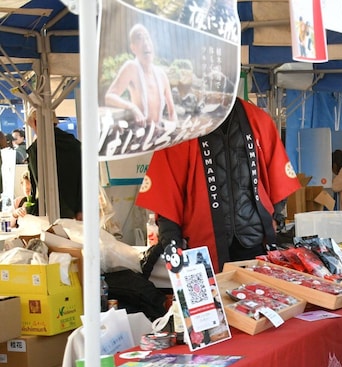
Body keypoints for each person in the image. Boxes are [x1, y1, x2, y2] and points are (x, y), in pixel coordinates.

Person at [136, 98, 301, 272]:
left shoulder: (257, 118)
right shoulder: (181, 126)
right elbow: (166, 195)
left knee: (258, 289)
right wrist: (172, 245)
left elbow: (278, 177)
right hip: (202, 246)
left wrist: (275, 218)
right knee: (212, 290)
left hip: (255, 242)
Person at [104, 24, 176, 127]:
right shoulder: (131, 67)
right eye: (139, 38)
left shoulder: (161, 75)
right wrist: (132, 107)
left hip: (160, 132)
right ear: (133, 48)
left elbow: (172, 112)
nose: (145, 43)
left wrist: (174, 130)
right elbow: (109, 97)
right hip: (141, 132)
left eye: (147, 38)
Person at [26, 109, 83, 220]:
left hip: (51, 212)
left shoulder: (37, 149)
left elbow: (39, 186)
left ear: (36, 123)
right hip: (77, 210)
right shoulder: (75, 144)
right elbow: (84, 177)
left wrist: (31, 209)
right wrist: (80, 208)